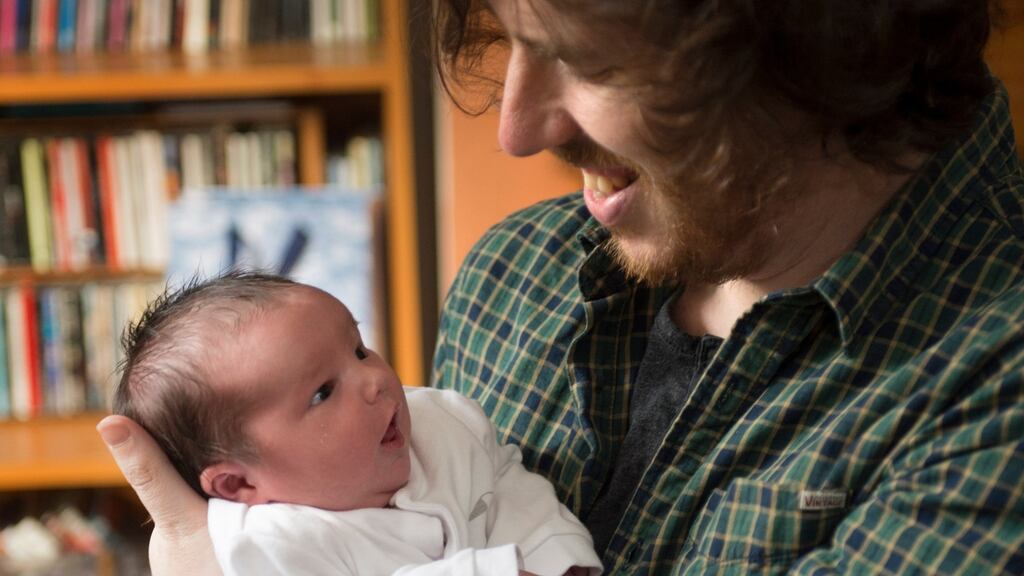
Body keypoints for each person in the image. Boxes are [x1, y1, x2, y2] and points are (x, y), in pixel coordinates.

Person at [98, 0, 1024, 573]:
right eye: (510, 40)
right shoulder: (518, 276)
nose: (519, 127)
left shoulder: (992, 386)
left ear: (810, 39)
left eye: (586, 58)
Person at [112, 272, 602, 576]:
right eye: (323, 392)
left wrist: (554, 554)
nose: (374, 381)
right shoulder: (271, 544)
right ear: (239, 481)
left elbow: (508, 485)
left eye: (358, 349)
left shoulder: (443, 422)